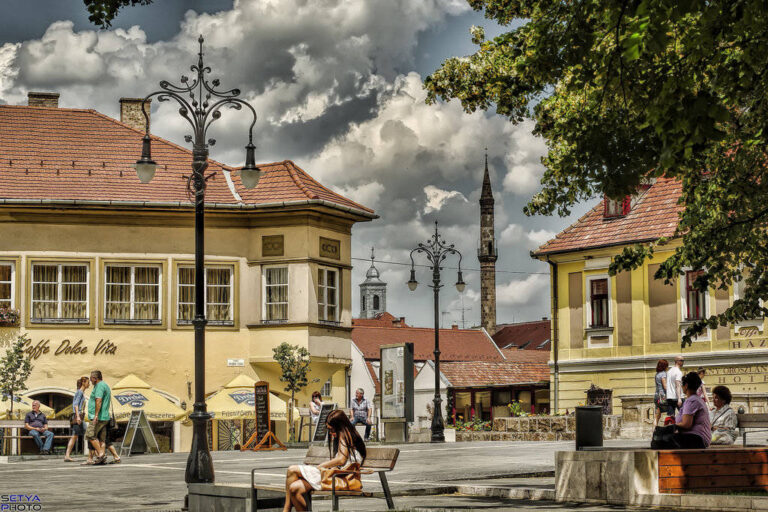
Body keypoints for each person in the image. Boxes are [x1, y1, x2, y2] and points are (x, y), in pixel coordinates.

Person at [283, 409, 366, 512]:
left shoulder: (344, 435)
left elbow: (341, 460)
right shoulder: (349, 434)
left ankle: (286, 510)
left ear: (339, 426)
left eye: (332, 429)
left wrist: (321, 466)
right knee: (294, 488)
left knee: (292, 470)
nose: (331, 433)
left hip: (340, 477)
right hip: (336, 475)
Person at [672, 371, 711, 448]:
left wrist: (672, 426)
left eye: (682, 384)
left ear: (686, 386)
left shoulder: (692, 400)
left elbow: (686, 424)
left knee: (663, 440)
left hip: (697, 438)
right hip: (697, 437)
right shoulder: (696, 399)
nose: (681, 387)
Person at [85, 370, 111, 465]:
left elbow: (98, 401)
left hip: (98, 417)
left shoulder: (99, 386)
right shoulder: (105, 385)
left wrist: (96, 415)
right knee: (101, 438)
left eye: (91, 378)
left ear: (95, 378)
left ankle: (101, 454)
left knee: (90, 435)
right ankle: (101, 459)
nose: (90, 380)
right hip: (104, 417)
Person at [64, 376, 89, 462]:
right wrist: (78, 416)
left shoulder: (81, 392)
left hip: (79, 416)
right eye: (87, 382)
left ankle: (67, 455)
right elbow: (75, 405)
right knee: (89, 434)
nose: (88, 384)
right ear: (83, 383)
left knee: (75, 436)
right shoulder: (80, 392)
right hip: (78, 417)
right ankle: (97, 454)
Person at [654, 359, 669, 426]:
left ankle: (654, 433)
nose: (667, 367)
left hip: (656, 396)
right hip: (663, 397)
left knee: (657, 416)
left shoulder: (657, 374)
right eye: (667, 366)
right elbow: (665, 386)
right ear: (664, 366)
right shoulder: (663, 374)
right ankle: (667, 431)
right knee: (671, 412)